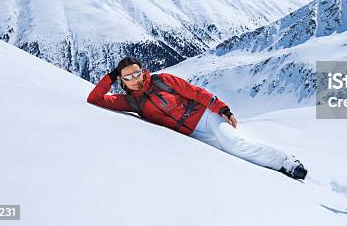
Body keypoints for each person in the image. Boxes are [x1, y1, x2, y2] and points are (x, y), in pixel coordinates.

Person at [87, 56, 307, 180]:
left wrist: (223, 109)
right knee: (228, 156)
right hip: (192, 134)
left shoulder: (161, 80)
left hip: (206, 117)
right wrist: (111, 75)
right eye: (128, 77)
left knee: (234, 144)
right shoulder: (131, 102)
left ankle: (286, 162)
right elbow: (94, 98)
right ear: (122, 82)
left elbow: (194, 92)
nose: (135, 80)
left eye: (136, 73)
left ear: (142, 71)